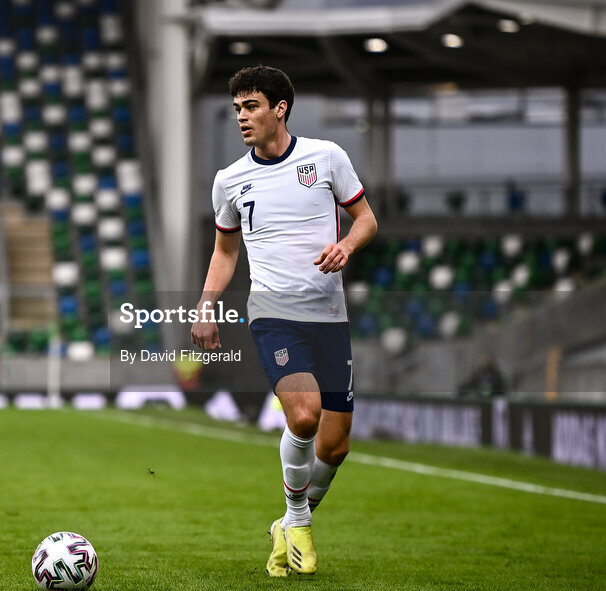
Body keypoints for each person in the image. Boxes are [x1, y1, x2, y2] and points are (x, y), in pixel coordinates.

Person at [190, 65, 378, 577]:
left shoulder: (327, 158)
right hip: (273, 311)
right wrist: (206, 306)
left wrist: (346, 244)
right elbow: (224, 252)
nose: (242, 118)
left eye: (251, 107)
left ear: (280, 109)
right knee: (302, 415)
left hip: (329, 316)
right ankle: (298, 519)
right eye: (236, 110)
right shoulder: (229, 180)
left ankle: (286, 524)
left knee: (335, 447)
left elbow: (367, 220)